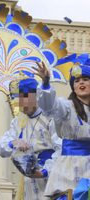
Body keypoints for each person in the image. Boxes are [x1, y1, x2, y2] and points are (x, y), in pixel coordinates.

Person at [0, 77, 61, 200]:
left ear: (36, 97)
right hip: (29, 183)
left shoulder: (50, 117)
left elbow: (62, 150)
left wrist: (45, 171)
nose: (22, 102)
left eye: (26, 97)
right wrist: (13, 143)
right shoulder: (18, 121)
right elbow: (0, 148)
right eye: (20, 98)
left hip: (51, 180)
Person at [35, 61, 90, 198]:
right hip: (70, 167)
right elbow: (49, 106)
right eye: (77, 81)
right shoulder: (66, 106)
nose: (80, 83)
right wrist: (46, 83)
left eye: (85, 79)